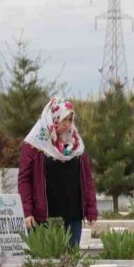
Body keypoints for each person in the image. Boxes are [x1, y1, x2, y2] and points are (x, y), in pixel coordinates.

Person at [18, 97, 98, 248]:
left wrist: (91, 208)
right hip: (43, 216)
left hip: (73, 214)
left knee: (71, 261)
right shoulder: (35, 144)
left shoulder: (76, 144)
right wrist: (26, 211)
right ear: (53, 117)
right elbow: (24, 179)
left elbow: (87, 179)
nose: (67, 125)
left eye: (70, 120)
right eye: (63, 120)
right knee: (43, 261)